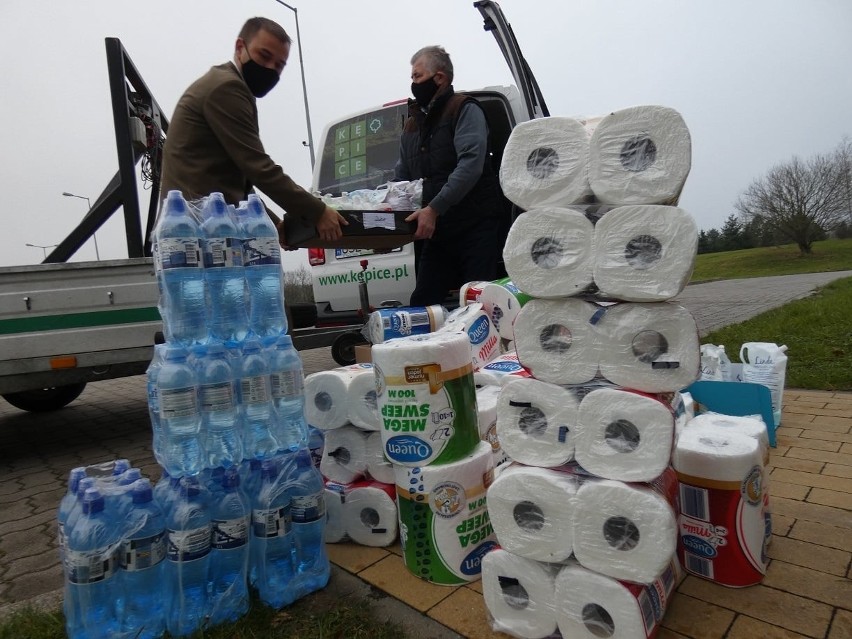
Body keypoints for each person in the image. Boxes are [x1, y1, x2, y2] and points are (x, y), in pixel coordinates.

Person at [160, 16, 345, 245]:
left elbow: (242, 179)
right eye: (264, 56)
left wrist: (273, 223)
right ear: (240, 48)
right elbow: (259, 168)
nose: (270, 69)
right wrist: (317, 211)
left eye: (279, 65)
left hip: (205, 229)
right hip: (199, 234)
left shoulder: (229, 86)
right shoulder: (227, 88)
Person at [395, 45, 505, 306]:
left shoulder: (464, 109)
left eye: (417, 77)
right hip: (437, 232)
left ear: (440, 78)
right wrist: (391, 226)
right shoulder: (411, 126)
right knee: (422, 304)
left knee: (479, 306)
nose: (413, 83)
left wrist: (433, 208)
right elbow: (402, 181)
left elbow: (470, 165)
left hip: (476, 226)